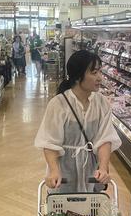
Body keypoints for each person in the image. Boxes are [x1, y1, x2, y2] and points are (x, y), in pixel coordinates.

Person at [34, 50, 120, 193]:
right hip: (64, 171)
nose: (100, 78)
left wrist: (103, 168)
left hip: (91, 172)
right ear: (77, 76)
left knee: (91, 212)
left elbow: (105, 138)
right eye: (94, 73)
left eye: (100, 72)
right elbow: (49, 142)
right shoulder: (58, 104)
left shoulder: (101, 103)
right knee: (63, 212)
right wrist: (54, 171)